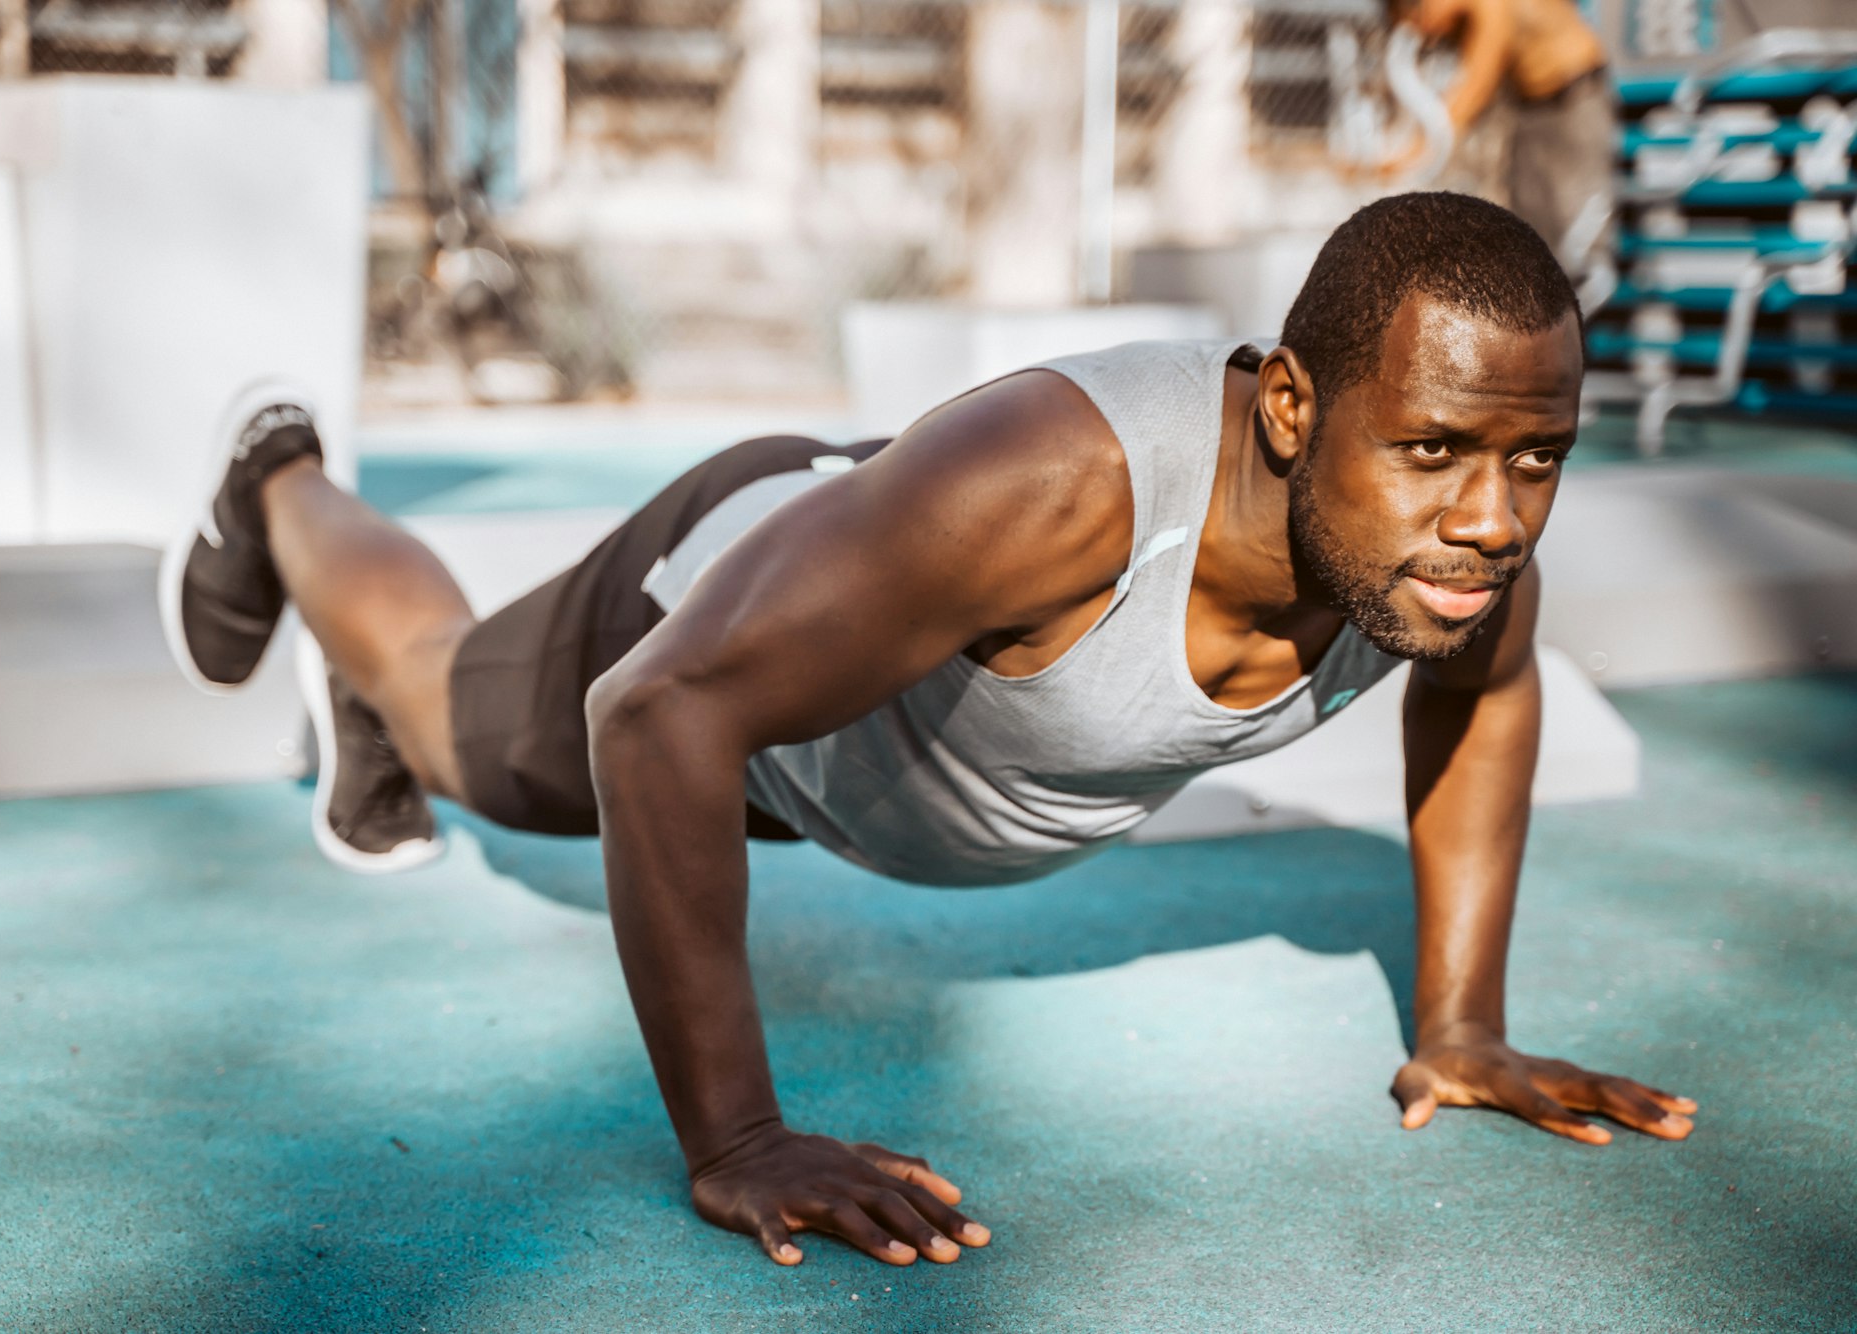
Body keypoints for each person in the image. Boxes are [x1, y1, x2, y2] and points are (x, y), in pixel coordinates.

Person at [161, 192, 1696, 1271]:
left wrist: (1461, 1025)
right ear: (1291, 405)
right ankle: (282, 479)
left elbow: (1484, 694)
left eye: (1536, 457)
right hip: (720, 641)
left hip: (840, 755)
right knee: (447, 716)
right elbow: (655, 715)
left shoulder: (1454, 556)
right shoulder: (1056, 487)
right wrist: (739, 1134)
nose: (1493, 515)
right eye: (1434, 448)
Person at [1384, 0, 1618, 292]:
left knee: (1575, 232)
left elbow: (1475, 87)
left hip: (1574, 100)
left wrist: (1415, 154)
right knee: (1531, 231)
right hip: (1532, 109)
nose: (1427, 35)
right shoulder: (1467, 21)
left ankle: (1580, 323)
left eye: (1419, 21)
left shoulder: (1490, 4)